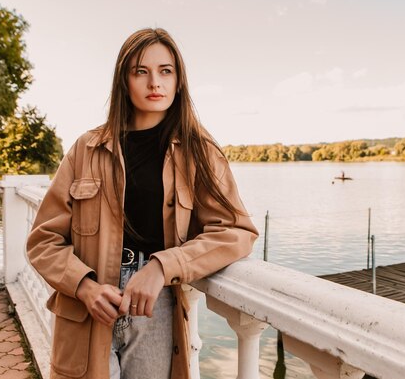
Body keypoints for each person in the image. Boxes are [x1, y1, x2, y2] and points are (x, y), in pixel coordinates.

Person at [26, 28, 258, 379]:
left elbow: (237, 232)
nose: (155, 83)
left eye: (166, 71)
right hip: (88, 309)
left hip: (156, 308)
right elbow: (43, 241)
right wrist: (84, 287)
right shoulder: (85, 150)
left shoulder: (200, 152)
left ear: (179, 81)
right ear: (124, 80)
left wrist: (163, 267)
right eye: (141, 71)